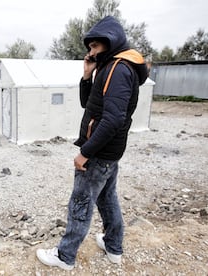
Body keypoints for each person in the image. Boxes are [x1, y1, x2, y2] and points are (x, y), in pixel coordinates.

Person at [36, 16, 148, 271]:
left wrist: (85, 153)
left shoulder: (118, 69)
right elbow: (89, 104)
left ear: (110, 43)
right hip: (109, 152)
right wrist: (87, 76)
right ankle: (113, 246)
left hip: (98, 153)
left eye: (95, 47)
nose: (91, 52)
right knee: (107, 199)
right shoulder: (109, 68)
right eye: (90, 47)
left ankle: (65, 256)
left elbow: (112, 120)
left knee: (80, 202)